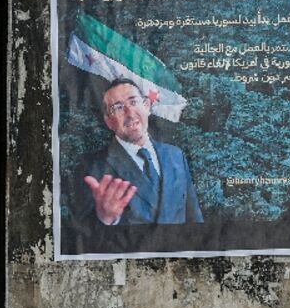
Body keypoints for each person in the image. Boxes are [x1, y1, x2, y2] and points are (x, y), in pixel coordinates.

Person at [75, 78, 204, 226]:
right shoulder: (91, 168)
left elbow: (195, 219)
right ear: (109, 121)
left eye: (133, 102)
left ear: (147, 106)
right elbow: (82, 235)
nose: (130, 113)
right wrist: (105, 218)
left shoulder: (176, 155)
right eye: (118, 107)